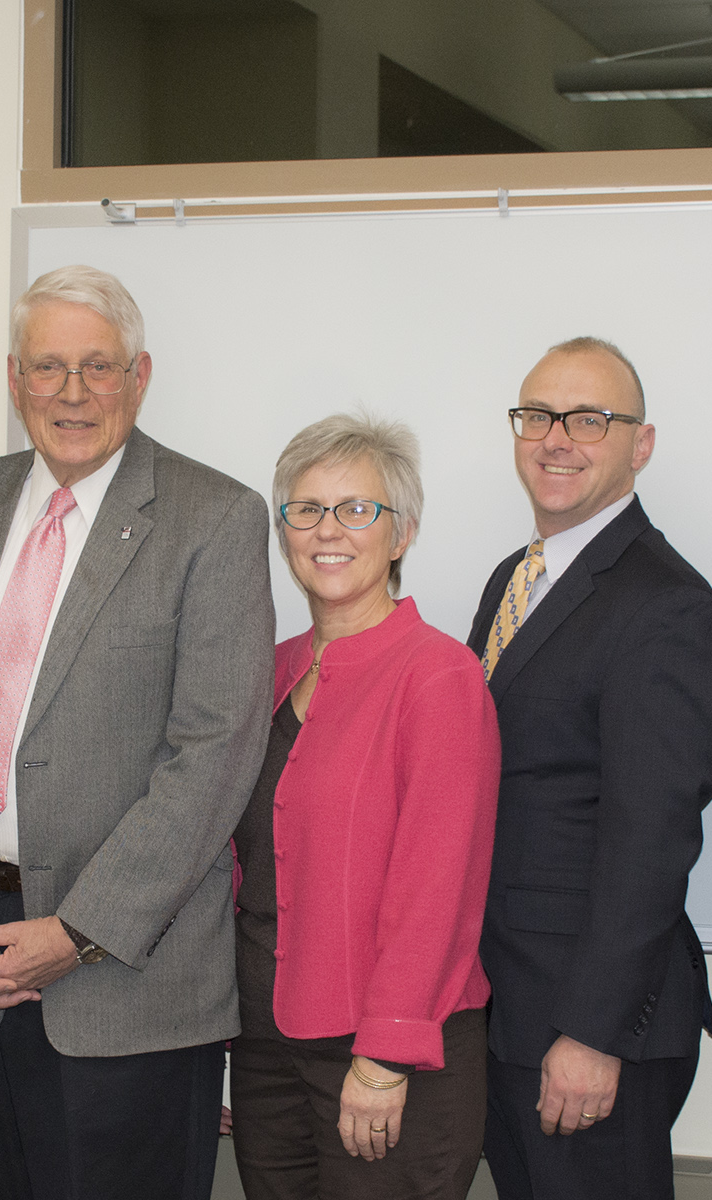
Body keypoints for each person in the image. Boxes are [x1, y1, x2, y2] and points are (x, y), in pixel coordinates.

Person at [0, 264, 275, 1199]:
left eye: (98, 366)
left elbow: (212, 758)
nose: (73, 392)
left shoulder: (214, 519)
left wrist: (81, 931)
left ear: (140, 376)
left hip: (124, 984)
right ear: (14, 380)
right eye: (49, 367)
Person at [471, 337, 712, 1200]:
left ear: (640, 444)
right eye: (537, 416)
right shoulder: (516, 577)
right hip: (506, 1006)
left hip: (583, 1028)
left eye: (589, 419)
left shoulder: (666, 604)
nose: (556, 438)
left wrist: (591, 1034)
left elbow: (650, 840)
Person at [229, 414, 501, 1200]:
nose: (328, 530)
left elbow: (437, 891)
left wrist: (382, 1060)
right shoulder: (267, 669)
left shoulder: (438, 676)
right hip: (262, 1044)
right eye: (306, 509)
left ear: (402, 531)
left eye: (357, 509)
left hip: (385, 1052)